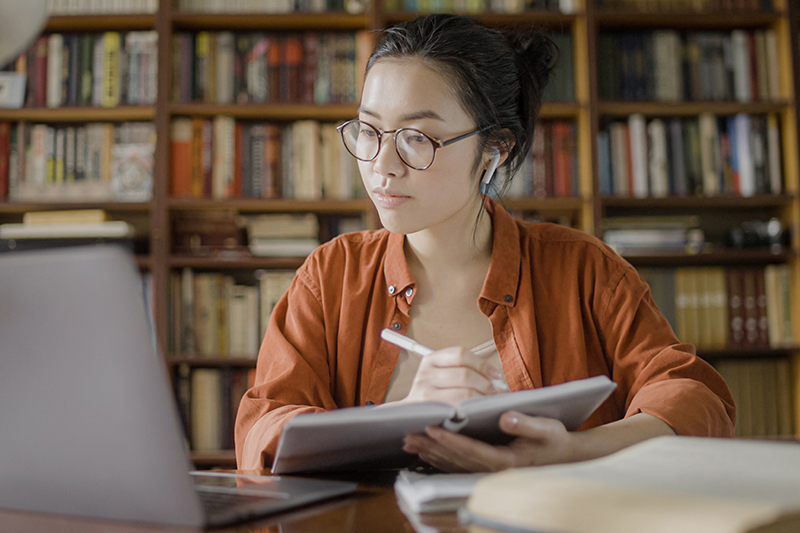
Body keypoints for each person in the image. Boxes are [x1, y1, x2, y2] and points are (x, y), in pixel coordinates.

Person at [235, 14, 735, 473]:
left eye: (416, 137)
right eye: (369, 131)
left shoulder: (582, 270)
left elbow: (694, 398)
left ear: (495, 150)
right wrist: (399, 419)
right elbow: (261, 430)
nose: (382, 164)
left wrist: (569, 451)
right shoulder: (332, 274)